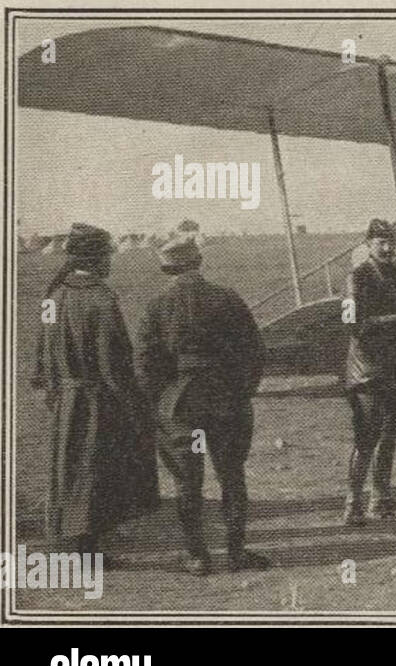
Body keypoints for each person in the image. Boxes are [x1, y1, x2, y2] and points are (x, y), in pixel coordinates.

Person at [136, 233, 268, 575]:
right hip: (226, 402)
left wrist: (162, 402)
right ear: (198, 263)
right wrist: (242, 391)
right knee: (231, 475)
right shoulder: (227, 299)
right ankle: (236, 553)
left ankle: (197, 556)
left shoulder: (157, 306)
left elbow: (146, 364)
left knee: (187, 481)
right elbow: (254, 351)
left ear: (168, 269)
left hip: (183, 408)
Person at [33, 223, 159, 561]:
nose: (110, 262)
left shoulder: (54, 296)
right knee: (95, 472)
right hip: (97, 400)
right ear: (96, 258)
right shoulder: (102, 298)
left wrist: (50, 388)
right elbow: (115, 361)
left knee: (70, 469)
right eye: (107, 256)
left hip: (65, 398)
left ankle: (79, 543)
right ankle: (88, 550)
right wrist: (135, 404)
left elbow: (43, 351)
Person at [342, 219, 396, 525]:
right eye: (381, 242)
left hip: (394, 368)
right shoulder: (357, 277)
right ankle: (353, 503)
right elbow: (354, 325)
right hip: (367, 370)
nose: (388, 247)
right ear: (368, 245)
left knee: (389, 435)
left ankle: (381, 499)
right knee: (367, 437)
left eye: (391, 241)